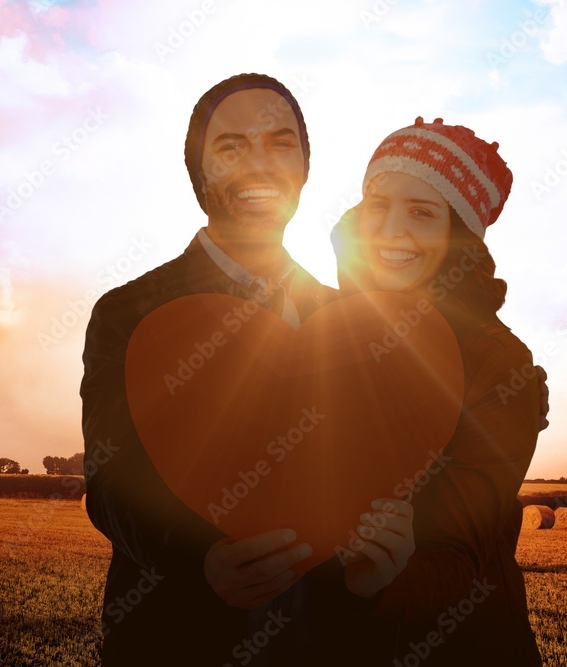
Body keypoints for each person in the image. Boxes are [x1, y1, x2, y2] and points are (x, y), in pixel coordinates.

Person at [80, 73, 417, 666]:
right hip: (174, 638)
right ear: (198, 171)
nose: (260, 164)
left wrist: (378, 569)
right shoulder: (128, 312)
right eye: (232, 146)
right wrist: (199, 559)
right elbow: (112, 485)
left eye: (281, 142)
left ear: (305, 168)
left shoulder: (349, 320)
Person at [329, 116, 545, 665]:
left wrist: (381, 582)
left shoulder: (499, 364)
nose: (391, 230)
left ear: (459, 237)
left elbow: (459, 551)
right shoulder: (324, 329)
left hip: (461, 646)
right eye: (378, 204)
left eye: (423, 213)